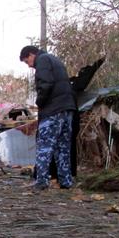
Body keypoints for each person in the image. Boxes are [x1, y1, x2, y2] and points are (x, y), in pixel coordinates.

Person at [19, 45, 76, 189]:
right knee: (63, 147)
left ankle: (42, 181)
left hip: (52, 109)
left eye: (27, 61)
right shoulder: (55, 60)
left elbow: (46, 84)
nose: (29, 66)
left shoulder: (42, 60)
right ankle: (66, 181)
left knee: (45, 146)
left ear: (31, 55)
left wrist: (39, 102)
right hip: (67, 108)